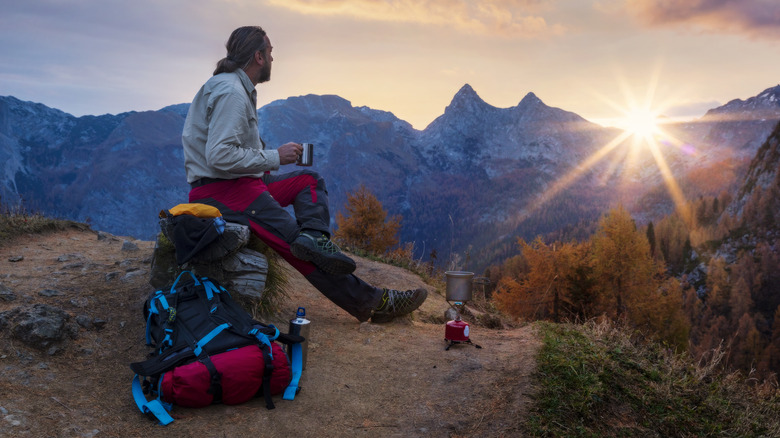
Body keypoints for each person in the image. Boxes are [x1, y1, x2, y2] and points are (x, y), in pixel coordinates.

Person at [181, 25, 427, 323]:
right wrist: (275, 156)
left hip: (241, 181)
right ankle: (372, 303)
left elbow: (227, 149)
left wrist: (271, 158)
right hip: (224, 190)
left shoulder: (231, 87)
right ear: (258, 56)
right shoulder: (232, 92)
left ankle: (315, 238)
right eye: (270, 51)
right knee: (295, 244)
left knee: (308, 181)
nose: (273, 56)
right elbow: (219, 155)